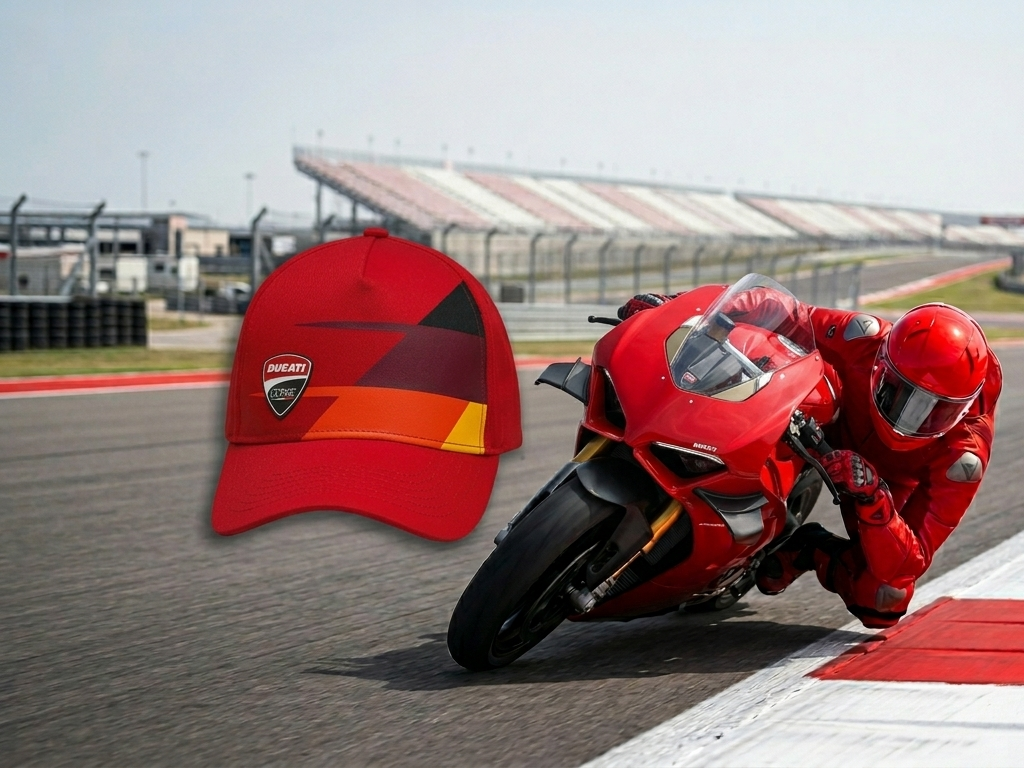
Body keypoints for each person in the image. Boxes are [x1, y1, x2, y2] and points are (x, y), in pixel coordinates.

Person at [618, 290, 1001, 629]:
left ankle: (809, 548)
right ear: (882, 362)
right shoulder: (863, 336)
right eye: (897, 392)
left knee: (884, 598)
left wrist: (873, 498)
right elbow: (782, 309)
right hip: (828, 423)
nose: (908, 417)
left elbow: (909, 561)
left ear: (962, 410)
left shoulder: (964, 457)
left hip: (883, 481)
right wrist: (673, 306)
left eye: (933, 412)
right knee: (773, 352)